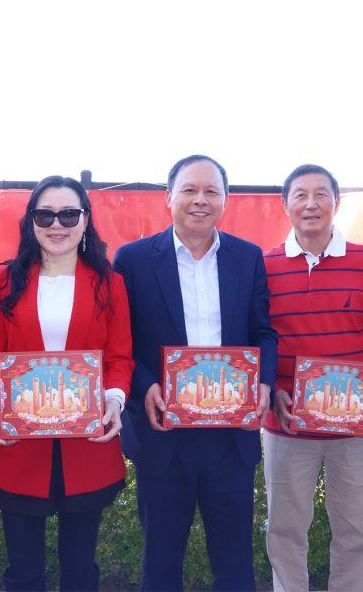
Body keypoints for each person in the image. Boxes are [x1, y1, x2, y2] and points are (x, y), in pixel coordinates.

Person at [112, 154, 278, 591]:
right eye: (189, 190)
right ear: (168, 198)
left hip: (230, 438)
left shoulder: (247, 257)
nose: (200, 200)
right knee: (161, 564)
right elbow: (120, 343)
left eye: (211, 191)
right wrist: (144, 385)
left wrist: (264, 382)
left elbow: (263, 331)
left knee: (235, 565)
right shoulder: (132, 260)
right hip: (163, 434)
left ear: (226, 199)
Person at [0, 175, 133, 592]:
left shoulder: (110, 283)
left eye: (69, 214)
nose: (57, 224)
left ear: (86, 220)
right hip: (20, 444)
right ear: (31, 221)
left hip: (88, 445)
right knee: (23, 570)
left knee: (80, 568)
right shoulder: (4, 282)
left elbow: (119, 358)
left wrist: (115, 400)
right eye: (45, 215)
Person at [262, 164, 363, 592]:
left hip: (356, 429)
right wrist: (274, 393)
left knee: (355, 534)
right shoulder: (264, 267)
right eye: (300, 195)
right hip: (287, 427)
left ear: (336, 203)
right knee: (285, 530)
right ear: (285, 204)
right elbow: (258, 340)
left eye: (321, 194)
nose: (311, 204)